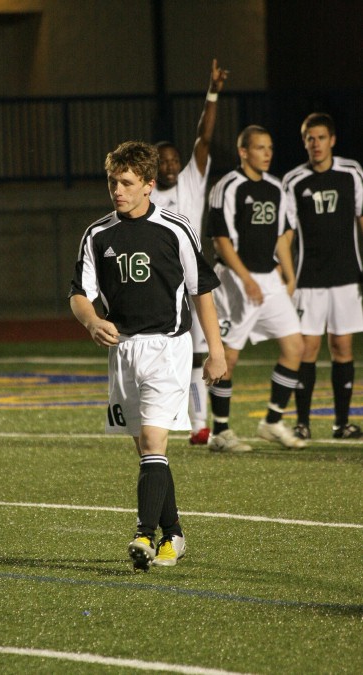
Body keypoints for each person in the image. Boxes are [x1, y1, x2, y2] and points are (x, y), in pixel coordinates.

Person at [69, 140, 226, 572]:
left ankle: (144, 533)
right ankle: (174, 533)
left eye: (126, 182)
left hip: (167, 348)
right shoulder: (98, 234)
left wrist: (215, 351)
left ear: (149, 185)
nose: (117, 190)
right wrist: (90, 321)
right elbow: (79, 293)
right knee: (146, 450)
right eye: (112, 182)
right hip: (123, 352)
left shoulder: (175, 229)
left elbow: (202, 291)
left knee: (155, 443)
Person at [206, 125, 306, 450]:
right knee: (228, 358)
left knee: (296, 348)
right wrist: (246, 280)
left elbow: (282, 236)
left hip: (268, 279)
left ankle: (272, 422)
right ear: (243, 152)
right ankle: (219, 432)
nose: (267, 153)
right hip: (236, 279)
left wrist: (289, 278)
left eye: (270, 147)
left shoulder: (277, 187)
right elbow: (221, 241)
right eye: (260, 147)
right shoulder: (228, 186)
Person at [151, 58, 228, 446]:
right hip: (163, 281)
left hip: (195, 276)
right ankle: (164, 416)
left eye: (173, 159)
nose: (169, 164)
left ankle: (202, 424)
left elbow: (204, 137)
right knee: (166, 354)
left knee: (203, 353)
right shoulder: (144, 195)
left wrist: (212, 92)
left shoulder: (191, 181)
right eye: (162, 160)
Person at [283, 112, 363, 440]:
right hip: (309, 277)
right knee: (307, 348)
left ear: (333, 140)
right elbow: (286, 233)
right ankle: (302, 423)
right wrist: (285, 275)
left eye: (321, 138)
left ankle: (341, 423)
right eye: (309, 139)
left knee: (343, 346)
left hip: (347, 275)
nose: (315, 144)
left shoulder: (352, 172)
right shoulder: (293, 180)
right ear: (304, 142)